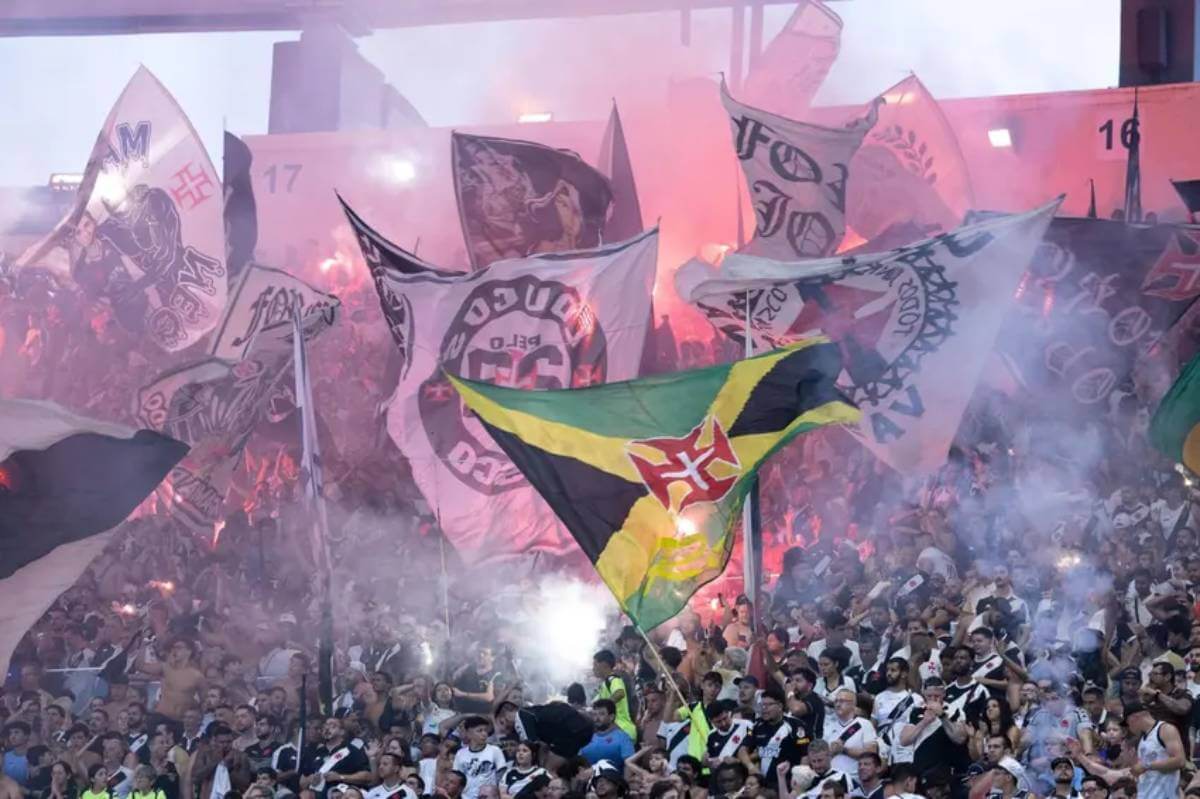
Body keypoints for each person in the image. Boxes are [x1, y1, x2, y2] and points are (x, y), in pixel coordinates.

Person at [133, 638, 206, 722]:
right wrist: (143, 646)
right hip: (161, 717)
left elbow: (204, 701)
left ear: (189, 651)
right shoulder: (165, 668)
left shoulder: (197, 676)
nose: (175, 650)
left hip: (182, 720)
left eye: (179, 647)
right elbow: (140, 666)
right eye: (173, 647)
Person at [1126, 702, 1186, 799]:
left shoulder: (1165, 729)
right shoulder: (1142, 740)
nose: (1129, 728)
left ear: (1133, 718)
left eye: (1128, 724)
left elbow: (1180, 760)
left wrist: (1147, 765)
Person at [820, 690, 877, 779]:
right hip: (831, 779)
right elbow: (821, 757)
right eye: (836, 701)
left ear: (853, 705)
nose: (838, 704)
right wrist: (830, 752)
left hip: (854, 778)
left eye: (842, 701)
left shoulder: (864, 724)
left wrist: (844, 750)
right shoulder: (828, 727)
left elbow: (871, 754)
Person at [450, 718, 504, 799]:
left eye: (485, 730)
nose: (484, 734)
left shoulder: (495, 750)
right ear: (468, 733)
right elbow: (457, 778)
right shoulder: (460, 753)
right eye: (480, 731)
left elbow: (501, 776)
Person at [592, 652, 636, 741]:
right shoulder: (604, 685)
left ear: (604, 664)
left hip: (622, 730)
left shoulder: (614, 679)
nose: (593, 668)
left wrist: (604, 707)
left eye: (595, 665)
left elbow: (619, 693)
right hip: (614, 732)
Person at [578, 701, 633, 766]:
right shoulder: (586, 737)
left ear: (611, 717)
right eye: (595, 714)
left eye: (601, 714)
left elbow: (629, 764)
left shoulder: (622, 737)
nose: (597, 718)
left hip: (612, 775)